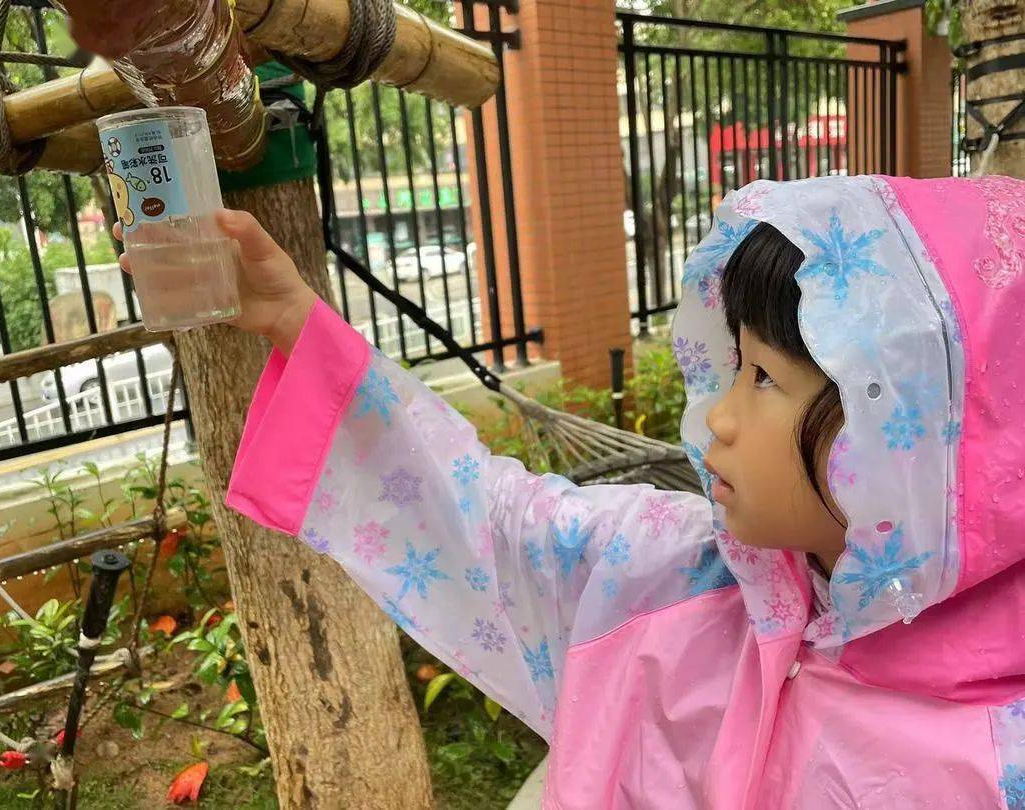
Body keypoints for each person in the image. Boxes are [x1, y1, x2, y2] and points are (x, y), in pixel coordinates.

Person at [116, 175, 1025, 808]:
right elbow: (491, 516)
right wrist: (290, 320)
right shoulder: (673, 576)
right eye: (732, 366)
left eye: (765, 381)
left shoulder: (994, 754)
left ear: (909, 440)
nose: (717, 419)